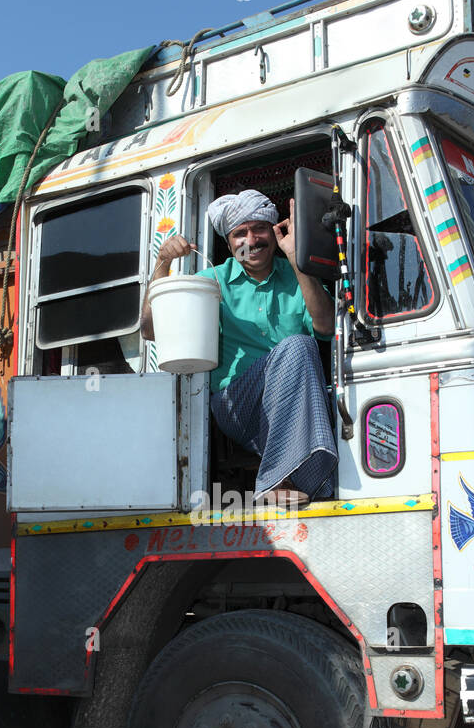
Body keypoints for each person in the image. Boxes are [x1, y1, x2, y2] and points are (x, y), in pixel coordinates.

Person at [140, 189, 337, 506]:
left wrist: (297, 258)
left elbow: (327, 326)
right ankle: (274, 479)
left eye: (259, 228)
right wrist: (163, 263)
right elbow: (151, 330)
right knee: (299, 347)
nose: (251, 240)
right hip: (238, 405)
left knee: (304, 355)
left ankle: (308, 481)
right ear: (229, 243)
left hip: (292, 402)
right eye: (239, 233)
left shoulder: (298, 276)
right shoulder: (212, 280)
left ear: (274, 231)